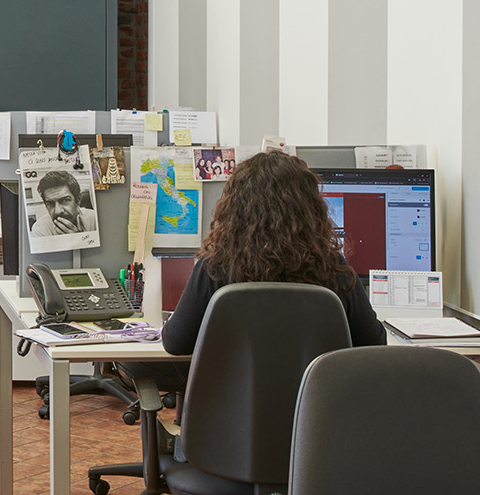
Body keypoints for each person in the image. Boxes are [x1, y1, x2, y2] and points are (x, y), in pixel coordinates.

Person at [161, 149, 388, 355]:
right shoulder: (332, 268)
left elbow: (176, 343)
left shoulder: (216, 268)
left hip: (234, 401)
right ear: (310, 210)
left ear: (235, 210)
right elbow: (375, 343)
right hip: (315, 399)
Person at [31, 169, 90, 237]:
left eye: (65, 200)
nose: (57, 211)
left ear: (78, 200)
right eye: (50, 203)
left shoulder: (94, 220)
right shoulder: (40, 229)